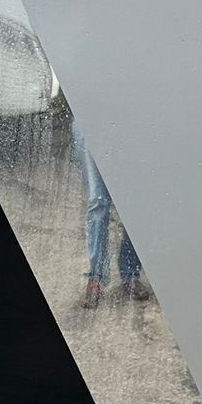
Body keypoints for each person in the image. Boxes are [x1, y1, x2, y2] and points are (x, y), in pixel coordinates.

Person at [72, 124, 150, 308]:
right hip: (90, 122)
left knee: (134, 200)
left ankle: (130, 273)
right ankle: (96, 278)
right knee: (97, 201)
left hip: (129, 124)